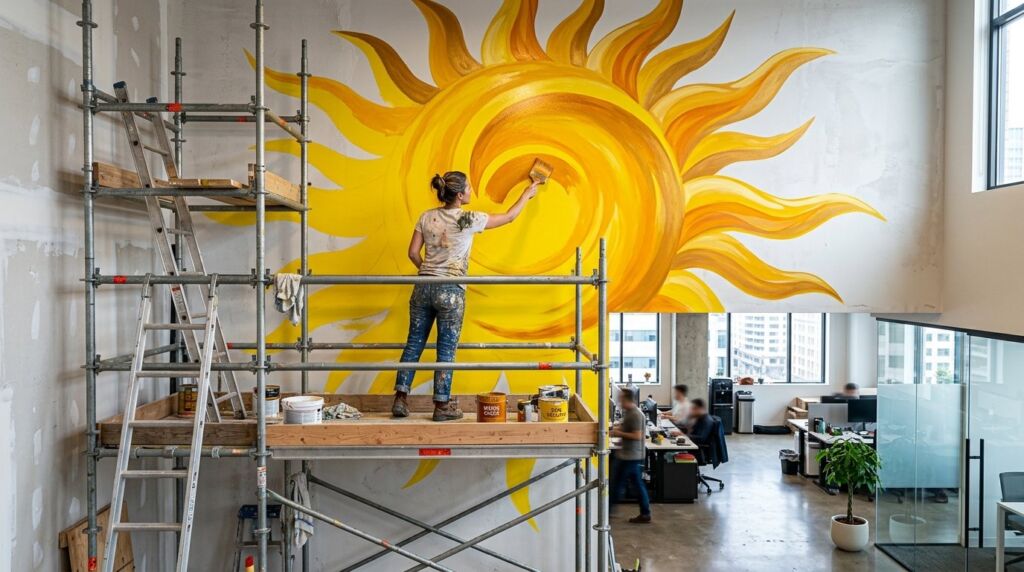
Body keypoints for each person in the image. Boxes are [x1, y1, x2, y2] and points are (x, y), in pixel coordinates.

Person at [392, 171, 538, 421]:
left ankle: (400, 400)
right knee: (446, 349)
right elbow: (510, 216)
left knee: (414, 342)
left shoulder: (426, 217)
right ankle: (441, 406)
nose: (472, 191)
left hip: (422, 285)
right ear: (459, 195)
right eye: (469, 188)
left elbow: (413, 252)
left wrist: (428, 272)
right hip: (451, 290)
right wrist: (528, 192)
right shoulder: (468, 218)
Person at [610, 388, 651, 523]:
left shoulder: (635, 414)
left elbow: (637, 435)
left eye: (622, 399)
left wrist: (618, 433)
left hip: (631, 457)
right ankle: (644, 513)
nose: (620, 402)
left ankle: (645, 513)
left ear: (628, 399)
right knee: (626, 484)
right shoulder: (629, 413)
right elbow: (625, 429)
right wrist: (611, 430)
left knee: (622, 484)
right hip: (626, 455)